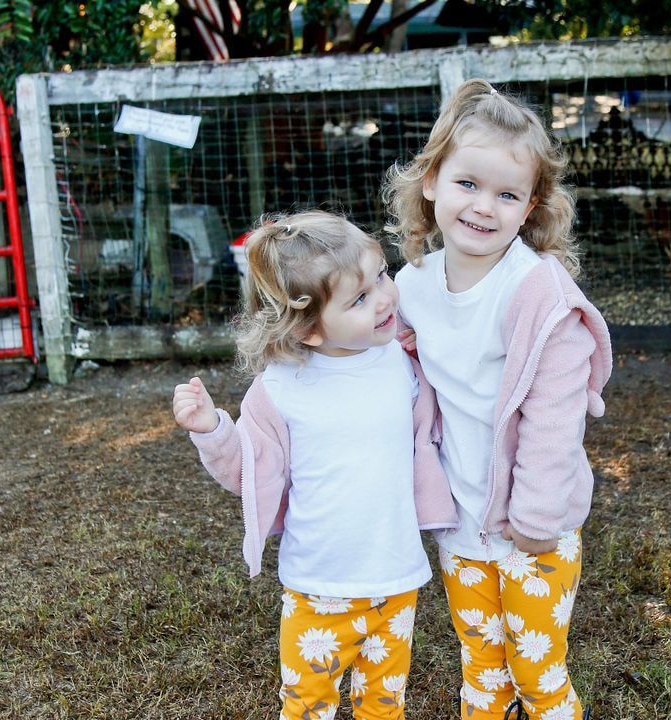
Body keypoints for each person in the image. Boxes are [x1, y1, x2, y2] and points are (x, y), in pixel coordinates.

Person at [382, 79, 613, 720]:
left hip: (535, 526)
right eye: (467, 184)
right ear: (431, 181)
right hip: (460, 521)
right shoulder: (415, 284)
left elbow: (553, 419)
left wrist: (536, 519)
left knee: (536, 671)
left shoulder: (537, 294)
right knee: (482, 667)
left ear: (530, 205)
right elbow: (395, 361)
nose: (484, 206)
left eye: (506, 194)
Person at [170, 210, 458, 720]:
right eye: (360, 298)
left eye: (382, 275)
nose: (386, 297)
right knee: (306, 708)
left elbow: (438, 428)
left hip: (396, 580)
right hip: (318, 588)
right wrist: (213, 429)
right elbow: (248, 469)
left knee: (385, 706)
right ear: (307, 330)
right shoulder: (281, 389)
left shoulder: (404, 363)